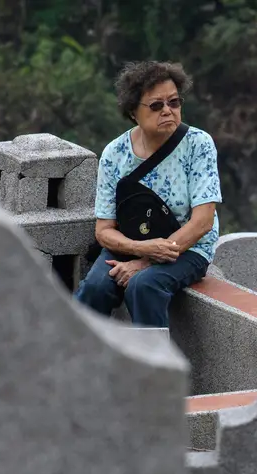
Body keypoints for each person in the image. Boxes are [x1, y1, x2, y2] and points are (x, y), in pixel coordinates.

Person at [73, 60, 222, 327]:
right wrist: (139, 250)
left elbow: (202, 222)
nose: (167, 111)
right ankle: (78, 361)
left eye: (174, 103)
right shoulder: (114, 154)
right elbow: (104, 230)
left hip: (187, 247)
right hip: (133, 242)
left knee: (144, 286)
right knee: (95, 289)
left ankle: (155, 366)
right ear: (133, 112)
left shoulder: (198, 145)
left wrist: (144, 262)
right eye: (156, 106)